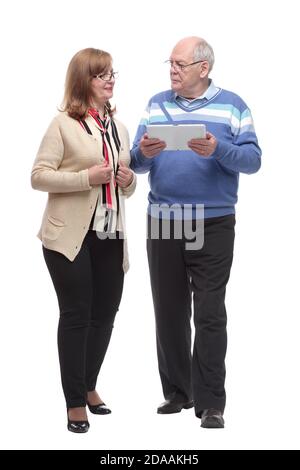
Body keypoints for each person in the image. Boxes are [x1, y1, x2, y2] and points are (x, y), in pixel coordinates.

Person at [130, 37, 261, 428]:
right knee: (168, 310)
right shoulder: (156, 103)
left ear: (203, 69)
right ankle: (177, 393)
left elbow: (253, 160)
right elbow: (135, 161)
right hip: (164, 220)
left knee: (208, 312)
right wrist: (144, 154)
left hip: (213, 221)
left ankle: (211, 403)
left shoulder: (234, 105)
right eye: (169, 63)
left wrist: (217, 149)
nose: (172, 70)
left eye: (180, 64)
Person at [31, 48, 136, 433]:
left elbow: (124, 185)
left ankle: (89, 384)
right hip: (69, 236)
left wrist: (129, 182)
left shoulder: (118, 127)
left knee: (105, 315)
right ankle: (75, 401)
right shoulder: (63, 124)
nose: (110, 79)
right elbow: (39, 175)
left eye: (112, 73)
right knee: (77, 315)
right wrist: (83, 178)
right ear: (83, 81)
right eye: (100, 75)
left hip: (111, 233)